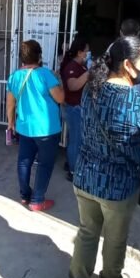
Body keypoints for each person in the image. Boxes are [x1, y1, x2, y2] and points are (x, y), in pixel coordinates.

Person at [68, 36, 140, 278]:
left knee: (87, 233)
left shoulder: (90, 90)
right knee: (114, 238)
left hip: (85, 177)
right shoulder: (139, 102)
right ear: (127, 65)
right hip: (118, 187)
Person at [6, 40, 65, 212]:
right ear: (39, 56)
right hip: (47, 129)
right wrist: (59, 81)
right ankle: (37, 200)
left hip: (24, 127)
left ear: (21, 58)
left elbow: (10, 103)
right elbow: (60, 98)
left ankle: (25, 195)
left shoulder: (14, 76)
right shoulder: (46, 75)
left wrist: (11, 122)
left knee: (24, 161)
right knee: (45, 164)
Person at [60, 36, 90, 182]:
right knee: (75, 141)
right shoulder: (72, 67)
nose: (88, 53)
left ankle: (72, 164)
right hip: (74, 108)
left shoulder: (82, 66)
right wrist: (88, 74)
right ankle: (73, 171)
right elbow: (72, 86)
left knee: (77, 139)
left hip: (79, 107)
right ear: (79, 52)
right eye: (86, 51)